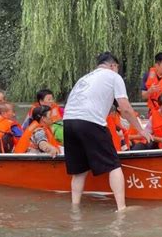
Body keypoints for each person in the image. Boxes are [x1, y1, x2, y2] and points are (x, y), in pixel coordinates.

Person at [63, 51, 152, 211]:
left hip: (68, 122)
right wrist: (141, 130)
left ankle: (75, 207)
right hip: (90, 121)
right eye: (117, 68)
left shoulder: (85, 78)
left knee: (79, 171)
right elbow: (124, 108)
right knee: (113, 165)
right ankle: (122, 208)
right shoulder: (113, 76)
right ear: (113, 65)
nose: (117, 71)